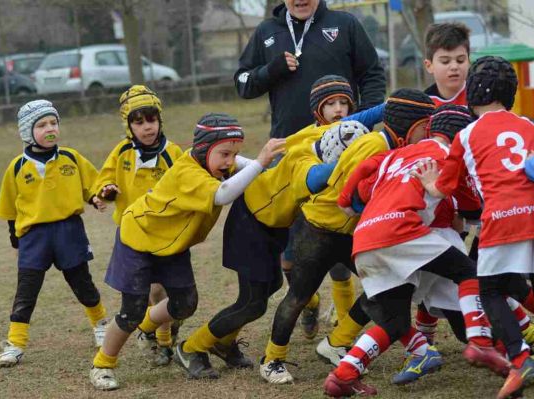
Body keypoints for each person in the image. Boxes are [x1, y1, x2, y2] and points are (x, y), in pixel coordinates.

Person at [323, 107, 512, 398]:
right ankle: (480, 342)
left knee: (394, 322)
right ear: (460, 138)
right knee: (468, 272)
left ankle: (343, 375)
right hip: (402, 230)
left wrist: (357, 207)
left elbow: (351, 192)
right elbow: (472, 208)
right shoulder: (448, 157)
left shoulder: (392, 156)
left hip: (363, 239)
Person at [89, 113, 285, 391]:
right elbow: (223, 194)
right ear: (205, 150)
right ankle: (102, 364)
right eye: (225, 154)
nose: (230, 161)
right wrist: (261, 162)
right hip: (139, 238)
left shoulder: (213, 163)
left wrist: (270, 164)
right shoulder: (189, 172)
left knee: (185, 304)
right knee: (130, 311)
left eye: (234, 154)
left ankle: (146, 328)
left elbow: (242, 167)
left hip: (172, 245)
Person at [259, 88, 435, 384]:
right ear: (410, 125)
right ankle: (272, 359)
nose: (427, 133)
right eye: (425, 126)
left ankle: (337, 342)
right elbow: (346, 190)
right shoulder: (371, 146)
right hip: (318, 229)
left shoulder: (391, 145)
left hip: (351, 233)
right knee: (299, 296)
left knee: (383, 289)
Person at [174, 117, 369, 380]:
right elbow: (316, 178)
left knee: (272, 287)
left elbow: (363, 117)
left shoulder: (323, 133)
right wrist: (353, 162)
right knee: (252, 304)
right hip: (251, 224)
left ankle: (223, 342)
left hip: (272, 226)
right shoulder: (306, 158)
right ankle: (191, 347)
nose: (339, 112)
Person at [413, 55, 534, 399]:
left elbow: (443, 189)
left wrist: (429, 181)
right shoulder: (528, 125)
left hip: (502, 218)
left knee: (490, 290)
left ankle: (520, 357)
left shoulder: (466, 135)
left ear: (472, 94)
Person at [0, 100, 109, 367]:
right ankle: (15, 343)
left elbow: (93, 184)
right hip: (34, 238)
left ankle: (101, 324)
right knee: (26, 292)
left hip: (69, 231)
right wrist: (16, 237)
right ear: (27, 132)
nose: (50, 129)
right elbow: (10, 208)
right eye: (42, 125)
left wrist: (96, 198)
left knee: (83, 284)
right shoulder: (16, 168)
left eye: (54, 123)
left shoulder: (71, 158)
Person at [283, 74, 385, 340]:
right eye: (331, 104)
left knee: (343, 271)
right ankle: (312, 306)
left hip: (349, 218)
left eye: (344, 102)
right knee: (298, 277)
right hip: (312, 220)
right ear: (318, 109)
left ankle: (342, 329)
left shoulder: (358, 135)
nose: (339, 109)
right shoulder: (306, 139)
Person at [94, 85, 183, 365]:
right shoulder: (122, 152)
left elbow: (188, 182)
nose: (147, 127)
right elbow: (103, 179)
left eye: (152, 120)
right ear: (128, 125)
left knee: (161, 290)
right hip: (131, 234)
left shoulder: (173, 153)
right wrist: (106, 189)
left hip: (165, 233)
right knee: (141, 294)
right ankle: (155, 335)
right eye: (139, 121)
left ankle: (164, 340)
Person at [235, 0, 385, 139]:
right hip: (288, 143)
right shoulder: (266, 31)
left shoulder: (345, 24)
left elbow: (372, 75)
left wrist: (362, 120)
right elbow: (243, 84)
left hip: (341, 139)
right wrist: (269, 71)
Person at [423, 22, 471, 107]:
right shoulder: (423, 105)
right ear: (429, 66)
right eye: (445, 61)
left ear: (469, 62)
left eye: (460, 60)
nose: (454, 67)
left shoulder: (482, 99)